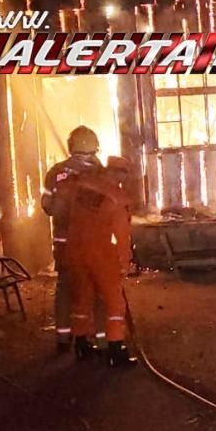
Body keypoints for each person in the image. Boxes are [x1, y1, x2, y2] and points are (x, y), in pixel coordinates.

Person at [65, 156, 138, 368]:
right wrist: (124, 262)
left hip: (75, 251)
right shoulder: (117, 197)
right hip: (100, 253)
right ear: (119, 173)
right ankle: (116, 350)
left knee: (83, 299)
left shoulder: (83, 187)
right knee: (115, 303)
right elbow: (122, 235)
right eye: (124, 174)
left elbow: (69, 214)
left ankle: (81, 345)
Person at [41, 126, 106, 353]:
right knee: (96, 288)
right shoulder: (100, 173)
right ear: (94, 146)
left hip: (63, 242)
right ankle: (98, 338)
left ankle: (63, 337)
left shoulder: (55, 172)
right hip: (92, 244)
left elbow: (47, 207)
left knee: (66, 287)